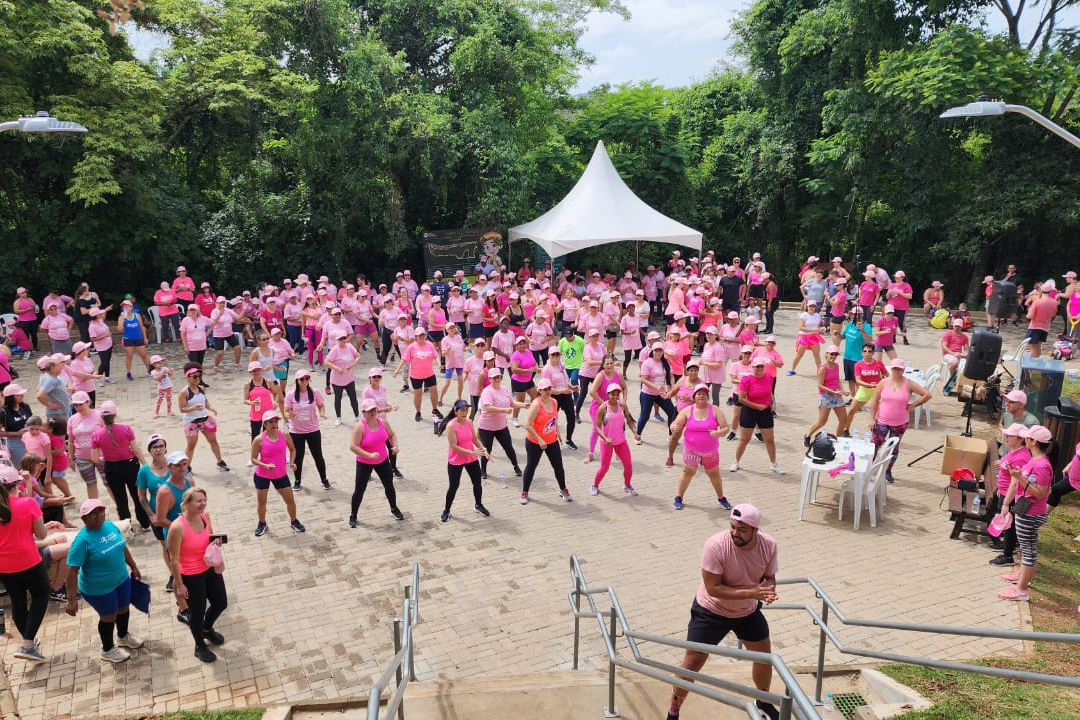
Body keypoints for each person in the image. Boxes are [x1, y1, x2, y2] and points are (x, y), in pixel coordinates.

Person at [667, 504, 780, 720]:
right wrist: (753, 592)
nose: (735, 533)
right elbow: (713, 588)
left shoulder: (769, 545)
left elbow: (770, 575)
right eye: (733, 527)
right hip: (711, 611)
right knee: (692, 664)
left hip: (747, 611)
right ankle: (674, 710)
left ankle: (763, 700)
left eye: (742, 530)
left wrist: (768, 588)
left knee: (765, 657)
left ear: (756, 530)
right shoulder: (716, 545)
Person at [63, 498, 144, 663]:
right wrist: (71, 599)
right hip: (98, 588)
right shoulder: (82, 541)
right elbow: (72, 571)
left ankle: (123, 636)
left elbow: (122, 547)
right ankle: (107, 649)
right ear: (84, 519)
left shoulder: (110, 526)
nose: (98, 516)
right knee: (108, 616)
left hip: (121, 579)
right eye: (93, 514)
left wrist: (133, 566)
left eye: (100, 512)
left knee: (123, 608)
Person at [167, 487, 228, 662]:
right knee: (197, 611)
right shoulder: (177, 527)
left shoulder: (204, 517)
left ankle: (206, 629)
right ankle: (199, 645)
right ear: (186, 504)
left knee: (220, 603)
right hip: (191, 575)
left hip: (209, 568)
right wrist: (179, 584)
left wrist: (216, 542)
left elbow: (210, 538)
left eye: (204, 499)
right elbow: (174, 560)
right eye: (198, 501)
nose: (203, 504)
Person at [0, 465, 52, 662]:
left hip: (4, 565)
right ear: (17, 485)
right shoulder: (27, 503)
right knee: (41, 595)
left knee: (18, 601)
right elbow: (41, 534)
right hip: (27, 560)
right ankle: (28, 643)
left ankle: (28, 641)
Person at [997, 425, 1054, 602]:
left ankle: (1021, 590)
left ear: (1034, 441)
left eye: (1027, 437)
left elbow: (1041, 492)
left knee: (1028, 550)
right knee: (1025, 545)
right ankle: (1021, 574)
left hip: (1031, 513)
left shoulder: (1042, 466)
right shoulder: (1034, 460)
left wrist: (1020, 478)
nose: (1025, 439)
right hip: (1025, 509)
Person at [669, 384, 731, 510]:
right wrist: (674, 427)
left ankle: (721, 498)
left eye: (704, 394)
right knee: (688, 472)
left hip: (710, 451)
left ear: (707, 396)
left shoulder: (715, 410)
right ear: (694, 396)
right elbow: (675, 423)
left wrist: (719, 433)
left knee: (714, 473)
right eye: (699, 394)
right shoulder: (687, 410)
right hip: (691, 450)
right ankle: (679, 497)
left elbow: (725, 428)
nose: (701, 396)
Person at [869, 359, 932, 483]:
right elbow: (875, 401)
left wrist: (913, 405)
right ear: (891, 369)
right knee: (874, 444)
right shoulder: (883, 382)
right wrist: (872, 418)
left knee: (893, 448)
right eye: (894, 368)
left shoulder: (909, 383)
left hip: (900, 422)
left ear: (903, 370)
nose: (897, 371)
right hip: (882, 420)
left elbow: (927, 394)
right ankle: (869, 467)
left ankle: (887, 470)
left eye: (899, 368)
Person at [348, 399, 404, 525]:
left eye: (374, 409)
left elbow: (392, 435)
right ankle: (353, 515)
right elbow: (353, 446)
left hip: (382, 460)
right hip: (364, 462)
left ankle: (394, 508)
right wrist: (369, 455)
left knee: (389, 485)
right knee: (359, 490)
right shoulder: (359, 427)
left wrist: (395, 446)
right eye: (369, 411)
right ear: (363, 412)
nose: (373, 412)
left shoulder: (383, 422)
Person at [250, 410, 305, 536]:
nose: (274, 424)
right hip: (262, 475)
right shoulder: (258, 439)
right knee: (262, 502)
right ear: (265, 424)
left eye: (276, 421)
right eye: (271, 422)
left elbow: (292, 449)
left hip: (280, 474)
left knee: (290, 500)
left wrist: (291, 462)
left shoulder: (284, 435)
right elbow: (253, 459)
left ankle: (294, 521)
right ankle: (262, 523)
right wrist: (265, 465)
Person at [434, 400, 491, 522]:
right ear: (455, 411)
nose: (465, 412)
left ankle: (478, 505)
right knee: (454, 486)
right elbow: (454, 446)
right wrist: (472, 452)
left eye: (466, 410)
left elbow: (475, 439)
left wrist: (483, 449)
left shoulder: (469, 422)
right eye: (462, 410)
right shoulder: (451, 426)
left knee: (477, 483)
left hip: (471, 458)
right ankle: (446, 510)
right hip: (456, 460)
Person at [519, 378, 571, 505]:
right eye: (545, 389)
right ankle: (524, 492)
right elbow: (527, 425)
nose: (548, 391)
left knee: (558, 466)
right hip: (534, 442)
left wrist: (558, 432)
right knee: (531, 466)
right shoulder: (536, 405)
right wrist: (540, 439)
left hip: (551, 440)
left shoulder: (554, 402)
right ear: (539, 391)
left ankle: (563, 489)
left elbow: (554, 419)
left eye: (549, 388)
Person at [730, 357, 784, 476]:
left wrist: (773, 402)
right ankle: (736, 461)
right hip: (749, 411)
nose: (759, 369)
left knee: (769, 440)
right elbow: (741, 399)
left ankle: (773, 463)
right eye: (757, 366)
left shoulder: (768, 377)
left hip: (764, 411)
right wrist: (756, 406)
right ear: (752, 367)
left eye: (761, 366)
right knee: (744, 439)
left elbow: (770, 392)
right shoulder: (746, 380)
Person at [988, 424, 1031, 568]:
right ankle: (1007, 547)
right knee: (1007, 524)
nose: (1005, 438)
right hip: (1005, 492)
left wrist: (1006, 502)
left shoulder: (1021, 458)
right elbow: (1008, 467)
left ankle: (1008, 555)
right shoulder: (1015, 451)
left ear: (1020, 439)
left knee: (1009, 524)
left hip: (1011, 496)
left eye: (1009, 436)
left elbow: (1015, 483)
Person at [589, 384, 640, 496]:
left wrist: (635, 433)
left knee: (628, 466)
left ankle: (627, 485)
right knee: (604, 467)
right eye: (613, 394)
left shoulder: (622, 406)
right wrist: (604, 438)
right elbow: (597, 427)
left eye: (617, 394)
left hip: (621, 441)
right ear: (608, 394)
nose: (615, 396)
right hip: (607, 442)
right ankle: (595, 485)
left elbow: (629, 420)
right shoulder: (603, 408)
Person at [177, 366, 229, 471]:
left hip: (204, 419)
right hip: (191, 422)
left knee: (213, 441)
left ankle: (220, 461)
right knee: (191, 446)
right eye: (194, 376)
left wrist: (210, 407)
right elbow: (182, 409)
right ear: (187, 377)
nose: (197, 379)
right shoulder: (184, 392)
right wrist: (193, 408)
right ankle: (186, 467)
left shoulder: (201, 388)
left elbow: (205, 401)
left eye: (199, 376)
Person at [284, 370, 330, 490]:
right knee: (298, 457)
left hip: (313, 429)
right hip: (296, 431)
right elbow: (286, 410)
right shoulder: (291, 394)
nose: (304, 381)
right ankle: (297, 480)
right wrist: (289, 415)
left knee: (318, 456)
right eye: (302, 379)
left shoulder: (314, 392)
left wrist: (322, 413)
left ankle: (324, 479)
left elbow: (321, 405)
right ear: (297, 381)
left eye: (307, 378)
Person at [477, 369, 525, 480]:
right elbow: (488, 408)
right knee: (487, 449)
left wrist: (524, 405)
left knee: (508, 447)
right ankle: (483, 470)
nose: (497, 379)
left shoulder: (504, 389)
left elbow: (512, 403)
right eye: (494, 378)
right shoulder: (487, 392)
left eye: (498, 377)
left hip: (501, 426)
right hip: (487, 426)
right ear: (489, 379)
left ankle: (516, 466)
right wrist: (504, 410)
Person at [393, 327, 442, 422]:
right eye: (419, 335)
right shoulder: (411, 347)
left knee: (434, 392)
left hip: (429, 373)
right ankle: (418, 412)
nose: (421, 337)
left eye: (423, 335)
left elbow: (436, 356)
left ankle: (435, 409)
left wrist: (439, 363)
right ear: (415, 337)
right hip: (416, 376)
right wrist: (397, 370)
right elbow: (404, 359)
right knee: (418, 395)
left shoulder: (430, 345)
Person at [804, 345, 849, 443]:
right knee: (822, 421)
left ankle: (837, 439)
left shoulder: (836, 366)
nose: (833, 356)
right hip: (826, 396)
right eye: (831, 354)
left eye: (835, 354)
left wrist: (843, 390)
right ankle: (808, 436)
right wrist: (833, 392)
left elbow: (837, 380)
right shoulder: (822, 368)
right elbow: (820, 386)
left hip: (836, 394)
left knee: (843, 420)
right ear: (826, 354)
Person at [325, 332, 361, 425]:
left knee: (353, 397)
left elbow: (358, 356)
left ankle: (357, 415)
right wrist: (336, 368)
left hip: (349, 378)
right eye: (341, 339)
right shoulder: (335, 349)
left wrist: (352, 364)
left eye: (344, 338)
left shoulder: (349, 346)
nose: (343, 341)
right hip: (337, 379)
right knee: (338, 398)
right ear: (337, 340)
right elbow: (327, 362)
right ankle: (338, 417)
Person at [116, 300, 151, 380]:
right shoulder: (121, 317)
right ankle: (128, 373)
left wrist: (145, 337)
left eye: (127, 306)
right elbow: (120, 329)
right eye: (123, 307)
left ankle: (150, 370)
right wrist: (122, 320)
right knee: (129, 356)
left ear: (131, 307)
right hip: (128, 339)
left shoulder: (137, 315)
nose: (125, 308)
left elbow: (142, 327)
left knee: (144, 355)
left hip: (138, 337)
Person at [787, 300, 824, 375]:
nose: (812, 307)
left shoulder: (817, 315)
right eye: (810, 306)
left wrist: (821, 330)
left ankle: (820, 371)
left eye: (813, 306)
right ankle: (792, 369)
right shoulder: (804, 315)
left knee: (816, 355)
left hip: (814, 336)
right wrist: (813, 330)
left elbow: (818, 326)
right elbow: (801, 327)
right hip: (804, 336)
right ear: (807, 306)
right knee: (800, 354)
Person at [1, 382, 33, 468]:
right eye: (19, 394)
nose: (22, 395)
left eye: (22, 394)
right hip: (15, 443)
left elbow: (32, 421)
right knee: (23, 468)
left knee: (34, 468)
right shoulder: (3, 412)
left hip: (31, 439)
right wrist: (17, 433)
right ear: (11, 397)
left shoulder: (25, 406)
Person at [1025, 281, 1059, 358]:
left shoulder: (1037, 302)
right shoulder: (1054, 302)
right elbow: (1053, 314)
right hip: (1046, 327)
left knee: (1031, 346)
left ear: (1040, 290)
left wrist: (1030, 310)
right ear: (1050, 291)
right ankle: (1037, 364)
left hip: (1035, 327)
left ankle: (1032, 366)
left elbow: (1029, 316)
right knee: (1038, 346)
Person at [939, 319, 970, 394]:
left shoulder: (964, 337)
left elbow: (967, 349)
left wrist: (963, 354)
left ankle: (961, 382)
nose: (957, 327)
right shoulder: (948, 334)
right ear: (953, 325)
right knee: (955, 362)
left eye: (959, 326)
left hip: (958, 354)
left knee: (968, 364)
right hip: (948, 354)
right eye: (956, 326)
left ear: (961, 327)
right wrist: (953, 354)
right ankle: (953, 379)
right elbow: (944, 347)